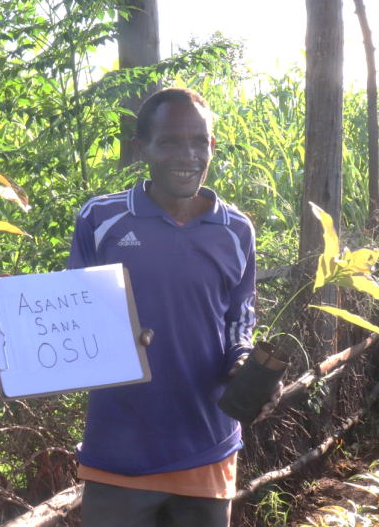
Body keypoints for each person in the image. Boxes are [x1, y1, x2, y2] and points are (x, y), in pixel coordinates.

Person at [68, 88, 277, 526]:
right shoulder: (100, 220)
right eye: (169, 142)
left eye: (199, 141)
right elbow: (75, 319)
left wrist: (243, 361)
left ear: (212, 147)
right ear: (142, 148)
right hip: (118, 452)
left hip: (207, 445)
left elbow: (240, 316)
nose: (187, 155)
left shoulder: (236, 230)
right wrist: (109, 340)